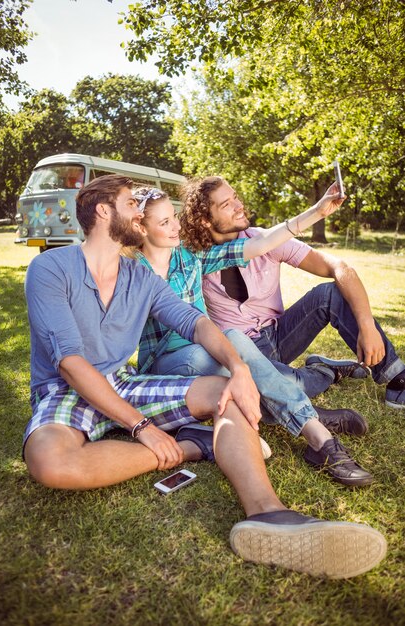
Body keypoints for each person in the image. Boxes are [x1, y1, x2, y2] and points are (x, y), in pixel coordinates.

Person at [22, 173, 387, 579]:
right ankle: (194, 446)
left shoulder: (139, 277)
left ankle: (269, 513)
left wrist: (239, 368)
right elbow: (70, 362)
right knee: (50, 463)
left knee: (226, 393)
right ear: (104, 212)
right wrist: (142, 426)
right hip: (65, 389)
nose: (139, 216)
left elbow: (193, 322)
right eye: (131, 206)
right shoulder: (50, 267)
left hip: (122, 383)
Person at [131, 186, 372, 487]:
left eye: (174, 217)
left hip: (208, 352)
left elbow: (261, 244)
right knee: (216, 355)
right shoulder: (129, 270)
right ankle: (312, 416)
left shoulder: (190, 257)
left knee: (232, 348)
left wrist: (317, 212)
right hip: (165, 364)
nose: (176, 226)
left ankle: (320, 439)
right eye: (164, 222)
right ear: (140, 227)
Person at [178, 176, 405, 409]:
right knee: (287, 388)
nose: (239, 206)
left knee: (329, 294)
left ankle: (396, 374)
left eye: (236, 197)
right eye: (226, 205)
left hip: (280, 335)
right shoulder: (194, 258)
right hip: (241, 353)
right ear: (205, 220)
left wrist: (366, 325)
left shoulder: (266, 239)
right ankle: (326, 370)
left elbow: (339, 268)